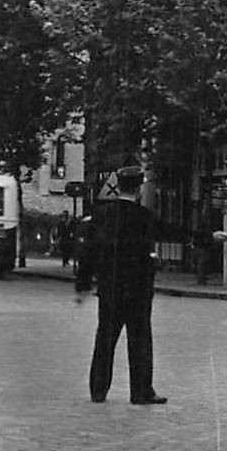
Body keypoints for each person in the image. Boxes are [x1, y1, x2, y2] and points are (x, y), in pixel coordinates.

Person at [75, 166, 167, 405]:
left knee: (105, 338)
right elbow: (173, 232)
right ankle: (140, 392)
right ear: (138, 189)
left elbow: (89, 251)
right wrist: (209, 237)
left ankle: (98, 390)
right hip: (138, 290)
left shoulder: (102, 215)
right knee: (140, 341)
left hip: (110, 288)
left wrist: (83, 282)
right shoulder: (143, 217)